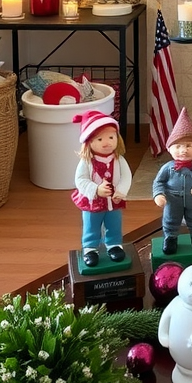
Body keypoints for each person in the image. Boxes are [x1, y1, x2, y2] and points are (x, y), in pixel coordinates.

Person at [71, 109, 132, 268]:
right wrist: (96, 189)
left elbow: (126, 177)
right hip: (93, 202)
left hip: (113, 201)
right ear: (89, 142)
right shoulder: (86, 162)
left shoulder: (119, 160)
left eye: (111, 137)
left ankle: (114, 245)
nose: (107, 143)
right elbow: (80, 180)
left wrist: (121, 191)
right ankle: (90, 247)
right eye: (99, 139)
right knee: (91, 224)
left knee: (114, 222)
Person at [153, 106, 192, 254]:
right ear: (169, 149)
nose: (183, 150)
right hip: (173, 200)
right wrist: (158, 194)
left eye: (189, 146)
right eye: (178, 146)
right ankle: (170, 238)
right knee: (170, 219)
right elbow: (158, 182)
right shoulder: (168, 168)